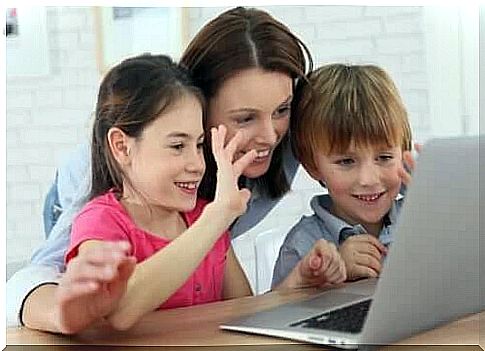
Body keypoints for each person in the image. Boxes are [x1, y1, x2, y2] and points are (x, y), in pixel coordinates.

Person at [7, 7, 345, 334]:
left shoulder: (211, 205)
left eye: (281, 110)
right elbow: (50, 284)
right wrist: (64, 315)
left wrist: (294, 286)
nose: (270, 136)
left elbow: (243, 309)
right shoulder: (106, 201)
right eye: (244, 118)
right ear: (200, 107)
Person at [272, 63, 415, 288]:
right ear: (312, 166)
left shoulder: (421, 220)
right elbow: (273, 314)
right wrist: (332, 274)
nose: (369, 179)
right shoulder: (303, 245)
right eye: (346, 161)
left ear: (403, 154)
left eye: (385, 157)